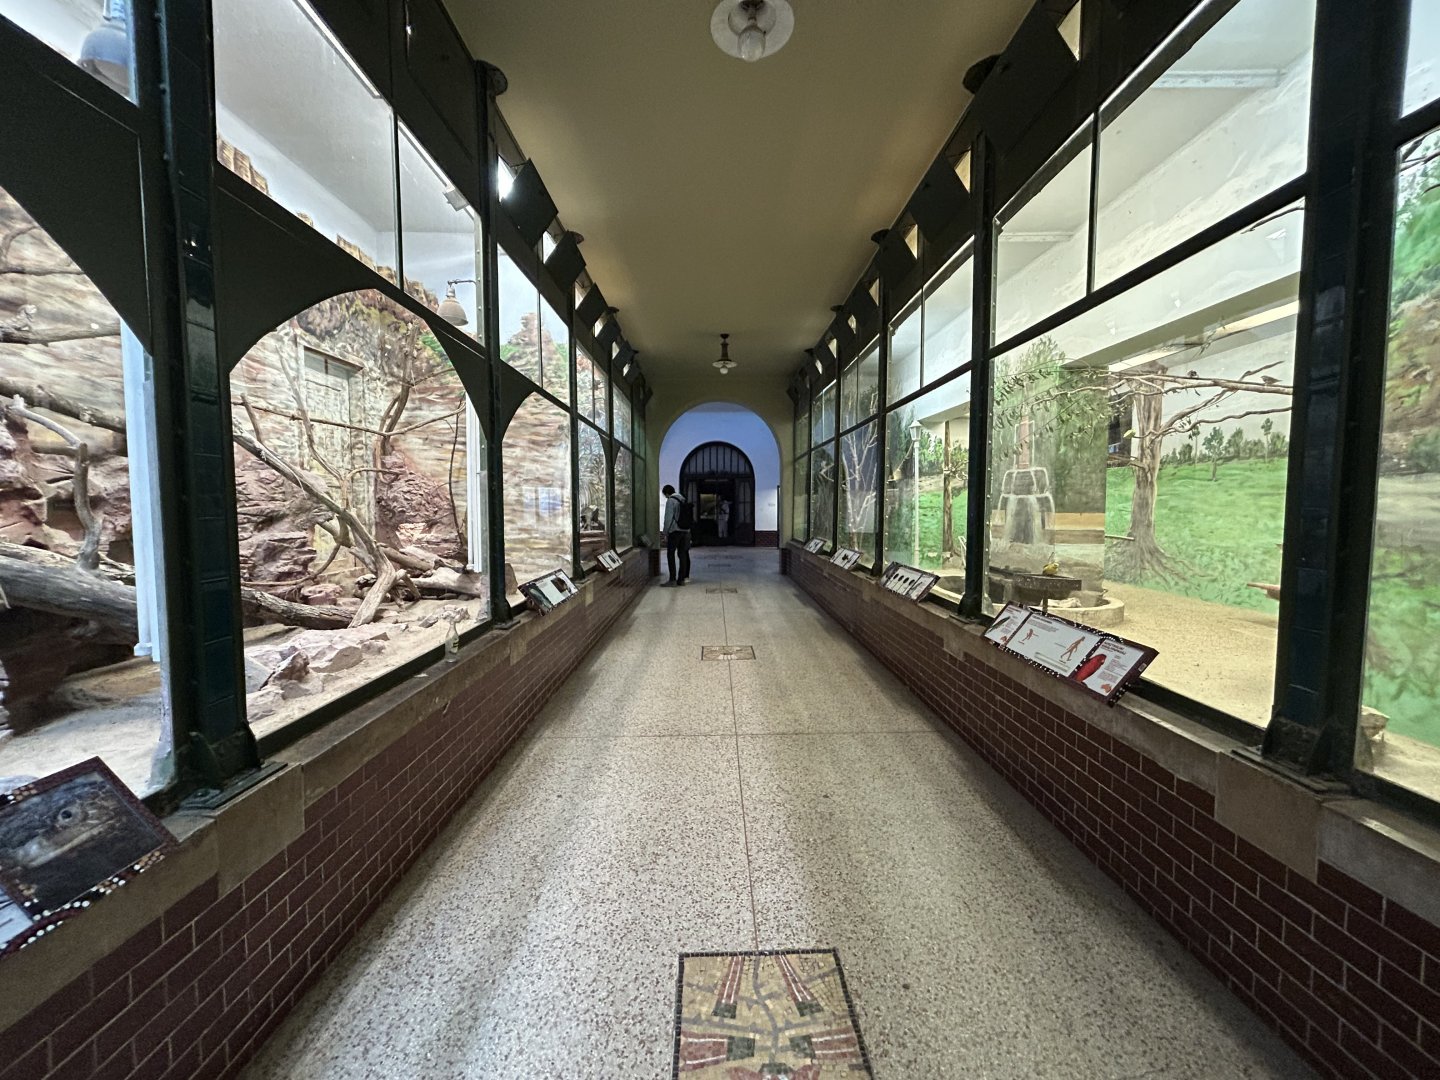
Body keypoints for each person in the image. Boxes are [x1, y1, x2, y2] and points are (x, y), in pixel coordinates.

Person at [661, 484, 691, 587]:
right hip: (685, 531)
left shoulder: (671, 501)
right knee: (682, 554)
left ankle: (672, 580)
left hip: (675, 531)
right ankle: (681, 579)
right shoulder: (683, 499)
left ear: (667, 493)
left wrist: (665, 532)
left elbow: (668, 518)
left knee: (670, 554)